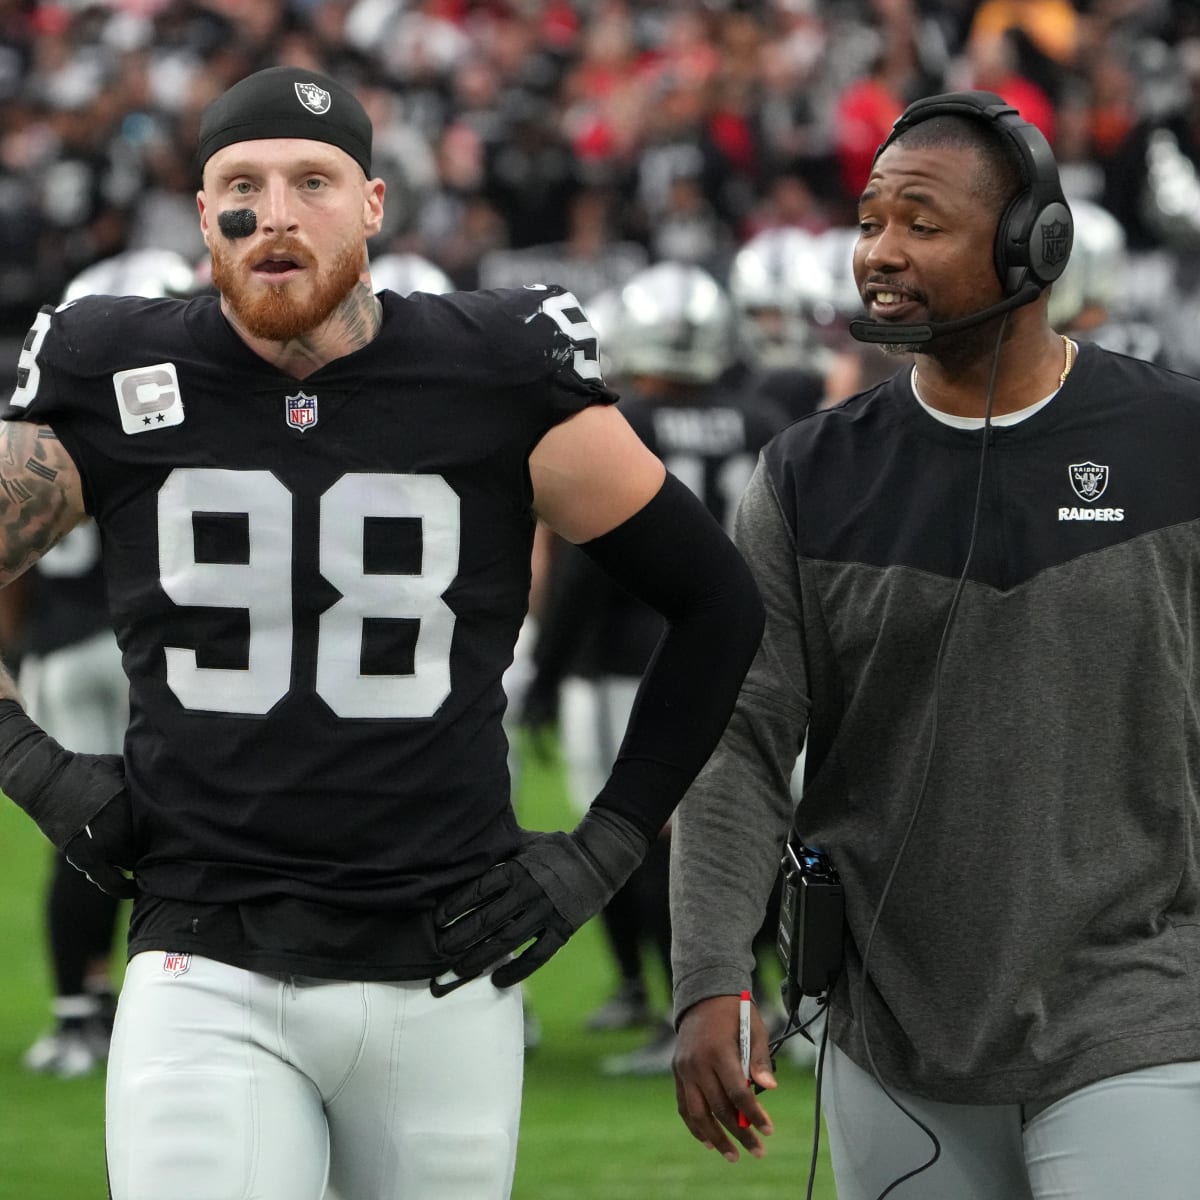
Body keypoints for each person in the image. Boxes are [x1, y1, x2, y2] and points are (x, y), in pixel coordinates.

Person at [0, 66, 764, 1200]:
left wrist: (607, 846)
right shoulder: (116, 366)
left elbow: (721, 603)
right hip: (202, 952)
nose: (277, 211)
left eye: (314, 180)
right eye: (241, 184)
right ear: (203, 214)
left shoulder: (497, 368)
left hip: (441, 967)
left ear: (373, 206)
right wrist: (39, 771)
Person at [669, 89, 1200, 1200]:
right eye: (870, 221)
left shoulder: (1175, 443)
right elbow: (740, 743)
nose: (881, 253)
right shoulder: (811, 477)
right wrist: (711, 973)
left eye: (922, 222)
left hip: (1141, 1008)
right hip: (892, 1035)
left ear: (1030, 246)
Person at [525, 263, 785, 1071]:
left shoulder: (619, 419)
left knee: (635, 834)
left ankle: (668, 1004)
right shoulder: (761, 419)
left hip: (628, 661)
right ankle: (773, 996)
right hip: (749, 655)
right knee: (753, 825)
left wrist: (545, 673)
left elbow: (582, 572)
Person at [12, 247, 197, 1080]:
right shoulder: (174, 407)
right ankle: (148, 996)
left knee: (80, 831)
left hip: (55, 647)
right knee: (154, 826)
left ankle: (76, 1011)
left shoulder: (45, 407)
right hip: (129, 645)